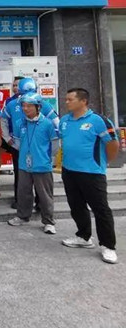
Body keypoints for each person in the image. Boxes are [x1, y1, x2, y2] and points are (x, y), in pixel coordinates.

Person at [59, 88, 120, 264]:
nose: (66, 102)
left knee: (101, 209)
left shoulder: (98, 121)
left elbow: (113, 144)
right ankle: (84, 237)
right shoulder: (64, 121)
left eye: (70, 99)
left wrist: (103, 162)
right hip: (69, 171)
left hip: (92, 173)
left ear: (83, 101)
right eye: (66, 99)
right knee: (76, 206)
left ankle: (108, 246)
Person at [2, 77, 59, 209]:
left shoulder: (42, 104)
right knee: (20, 175)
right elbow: (3, 120)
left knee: (40, 176)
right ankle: (20, 202)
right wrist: (7, 138)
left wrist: (52, 148)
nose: (26, 107)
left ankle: (40, 203)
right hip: (19, 146)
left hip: (39, 147)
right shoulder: (11, 105)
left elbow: (56, 122)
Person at [7, 93, 58, 234]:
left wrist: (45, 157)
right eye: (23, 106)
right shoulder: (20, 123)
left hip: (42, 165)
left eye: (29, 106)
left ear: (38, 107)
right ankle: (23, 216)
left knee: (45, 195)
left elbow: (55, 145)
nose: (25, 108)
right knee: (23, 192)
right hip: (24, 164)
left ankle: (48, 221)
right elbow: (17, 142)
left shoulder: (47, 124)